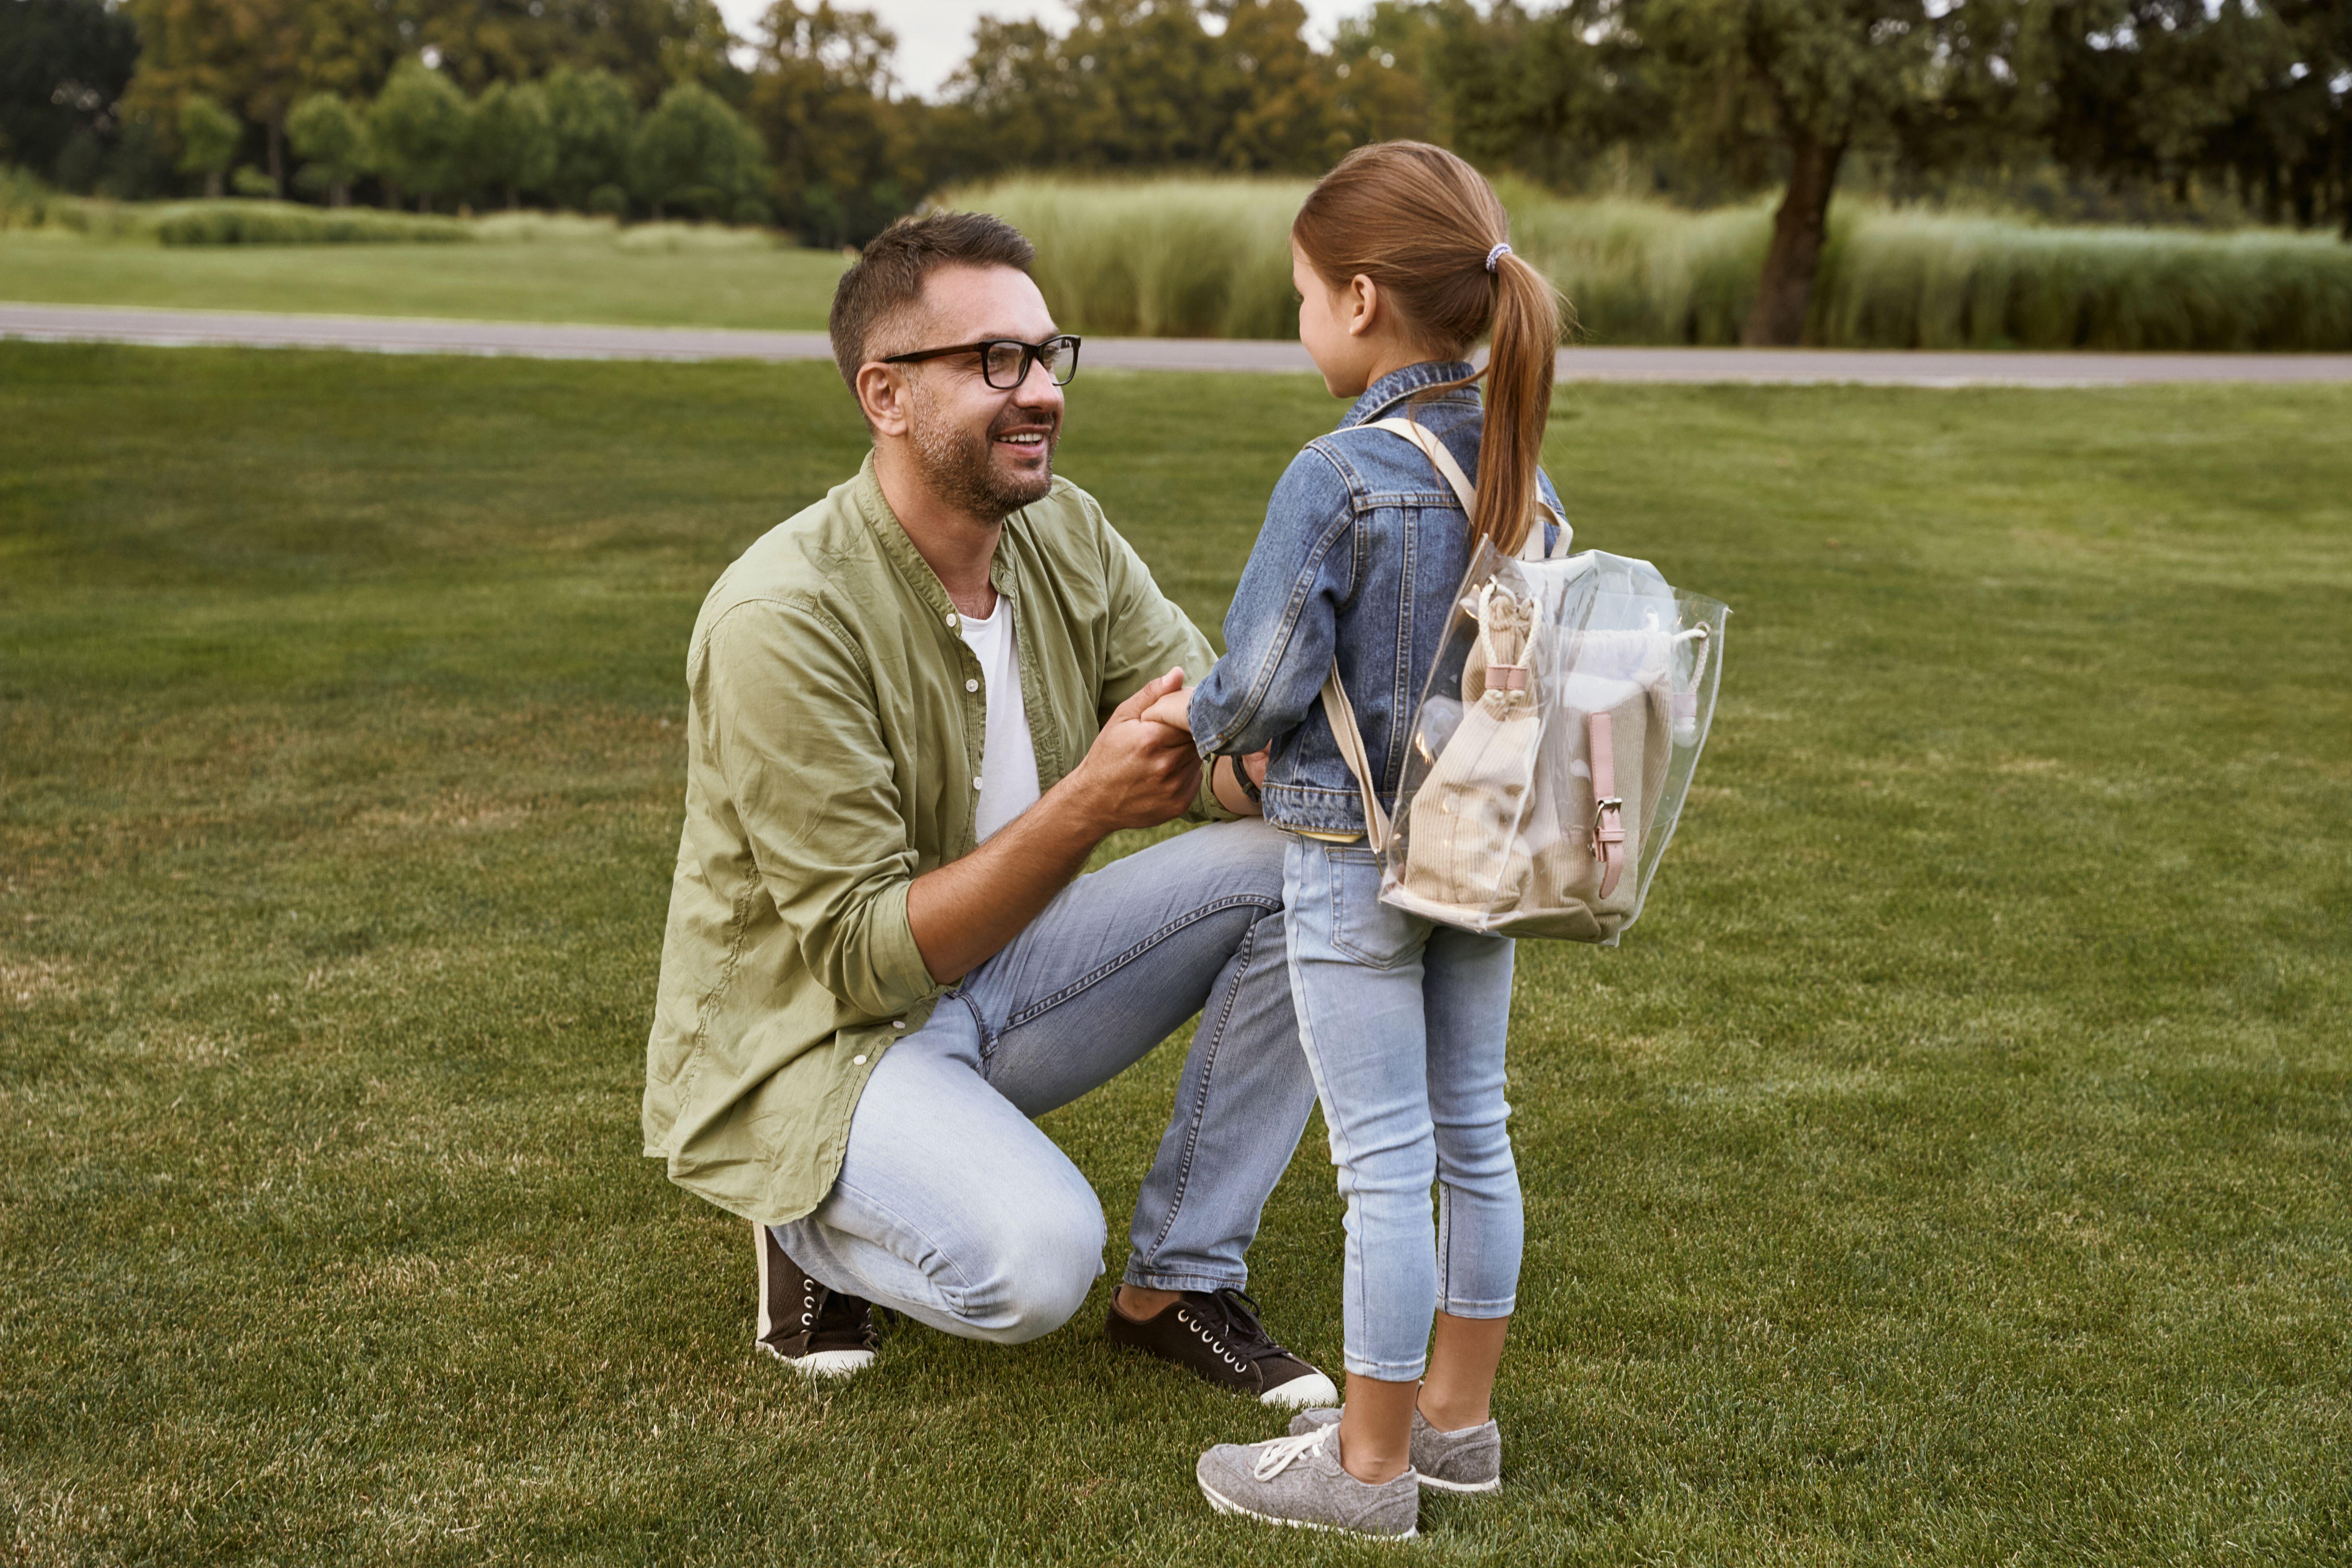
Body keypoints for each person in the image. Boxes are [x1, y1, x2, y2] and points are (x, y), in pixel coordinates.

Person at [641, 211, 1336, 1409]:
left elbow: (1211, 745)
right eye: (993, 362)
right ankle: (800, 1219)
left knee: (1305, 859)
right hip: (826, 1040)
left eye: (1046, 352)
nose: (1041, 391)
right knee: (1032, 1270)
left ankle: (1182, 1280)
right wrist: (1087, 808)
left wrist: (1345, 780)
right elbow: (864, 961)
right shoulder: (783, 619)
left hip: (1004, 982)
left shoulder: (1064, 532)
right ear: (885, 394)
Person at [1141, 142, 1568, 1538]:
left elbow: (1264, 676)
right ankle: (1457, 1424)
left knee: (1382, 1160)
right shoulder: (1526, 475)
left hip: (1351, 858)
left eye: (1306, 296)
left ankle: (1367, 1469)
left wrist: (1207, 728)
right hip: (1484, 857)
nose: (1303, 322)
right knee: (1475, 1139)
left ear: (1367, 297)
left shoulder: (1343, 474)